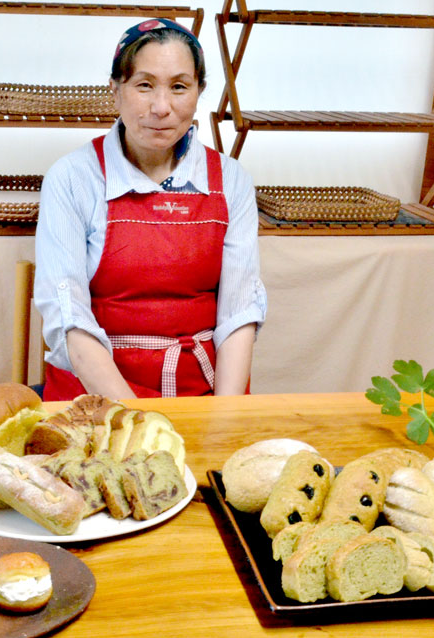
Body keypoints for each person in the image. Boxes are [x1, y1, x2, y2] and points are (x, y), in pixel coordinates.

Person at [34, 18, 267, 400]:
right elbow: (70, 319)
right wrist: (135, 423)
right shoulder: (73, 178)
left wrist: (224, 418)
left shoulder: (230, 180)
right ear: (116, 91)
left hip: (199, 395)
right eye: (144, 85)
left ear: (198, 92)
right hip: (94, 398)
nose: (162, 107)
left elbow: (238, 314)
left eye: (179, 87)